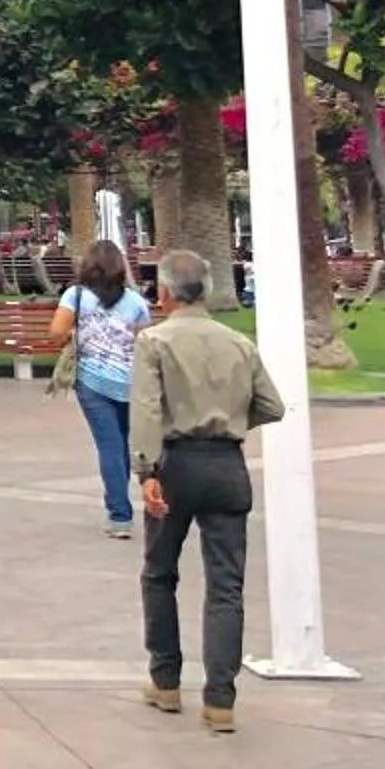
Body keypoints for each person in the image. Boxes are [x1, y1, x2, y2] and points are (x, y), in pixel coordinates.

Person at [132, 247, 285, 733]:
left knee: (160, 572)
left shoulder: (154, 341)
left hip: (175, 463)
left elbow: (147, 410)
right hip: (226, 464)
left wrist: (147, 471)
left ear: (164, 292)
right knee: (226, 586)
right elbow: (273, 406)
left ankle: (166, 678)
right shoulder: (238, 343)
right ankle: (220, 698)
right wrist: (234, 423)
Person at [48, 238, 152, 537]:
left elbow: (56, 333)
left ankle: (120, 517)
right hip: (131, 380)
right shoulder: (134, 301)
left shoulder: (75, 295)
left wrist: (77, 334)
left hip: (92, 381)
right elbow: (145, 341)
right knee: (125, 444)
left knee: (110, 447)